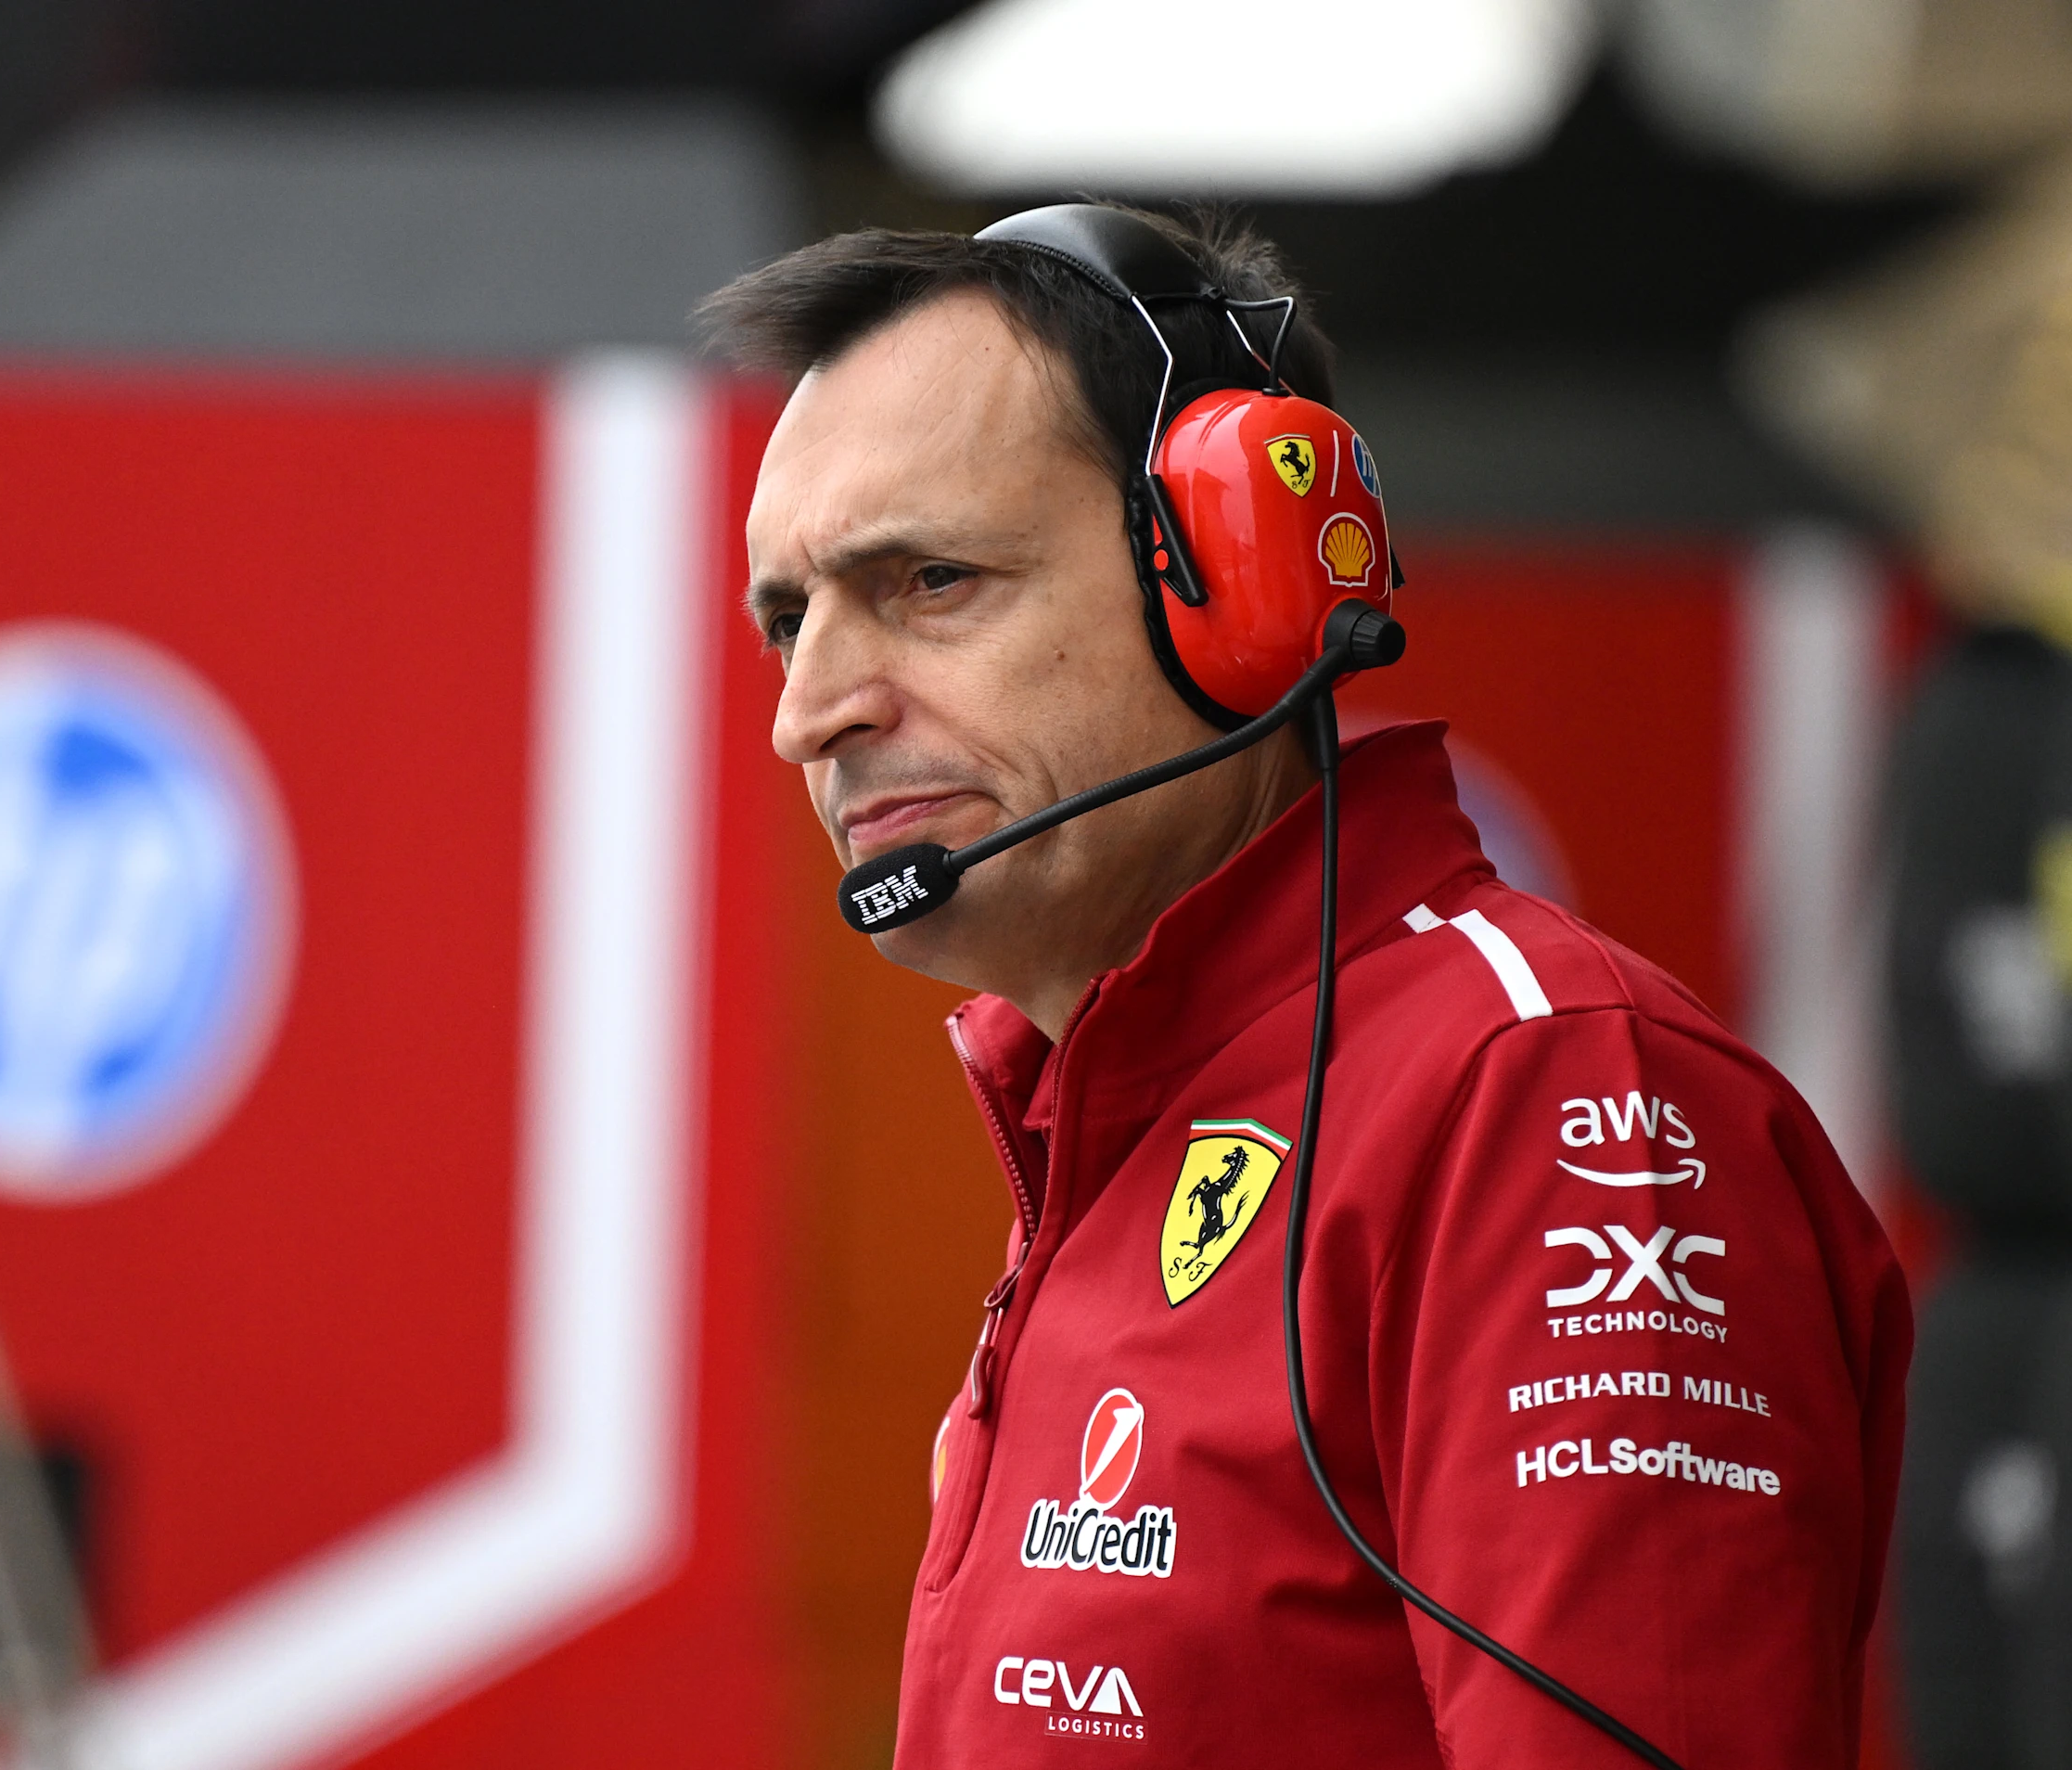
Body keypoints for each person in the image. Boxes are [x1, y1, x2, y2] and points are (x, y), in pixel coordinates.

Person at [702, 205, 1910, 1768]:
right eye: (788, 620)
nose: (811, 712)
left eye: (930, 580)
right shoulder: (1114, 1121)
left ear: (1242, 580)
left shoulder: (1555, 1106)